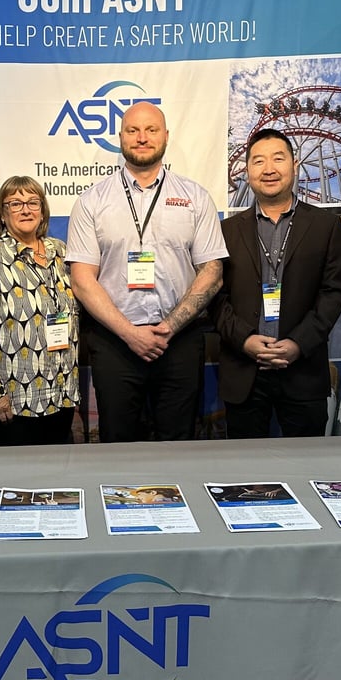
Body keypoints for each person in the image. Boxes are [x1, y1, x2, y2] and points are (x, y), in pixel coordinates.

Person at [66, 102, 227, 442]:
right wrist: (130, 333)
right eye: (133, 130)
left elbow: (212, 272)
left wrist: (169, 327)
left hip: (179, 342)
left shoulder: (195, 197)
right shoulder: (92, 201)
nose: (142, 138)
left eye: (151, 130)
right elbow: (81, 281)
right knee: (119, 446)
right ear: (120, 137)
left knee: (178, 444)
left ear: (165, 136)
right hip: (115, 344)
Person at [210, 128, 341, 439]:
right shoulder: (225, 231)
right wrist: (245, 340)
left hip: (302, 371)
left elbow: (333, 293)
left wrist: (298, 343)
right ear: (248, 171)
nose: (269, 169)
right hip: (244, 371)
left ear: (294, 165)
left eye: (278, 159)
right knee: (245, 467)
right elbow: (216, 298)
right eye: (259, 161)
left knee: (307, 462)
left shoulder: (325, 226)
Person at [0, 176, 80, 446]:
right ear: (2, 214)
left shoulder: (61, 253)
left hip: (63, 393)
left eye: (33, 202)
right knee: (22, 472)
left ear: (43, 211)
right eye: (15, 203)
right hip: (16, 401)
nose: (26, 210)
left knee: (60, 468)